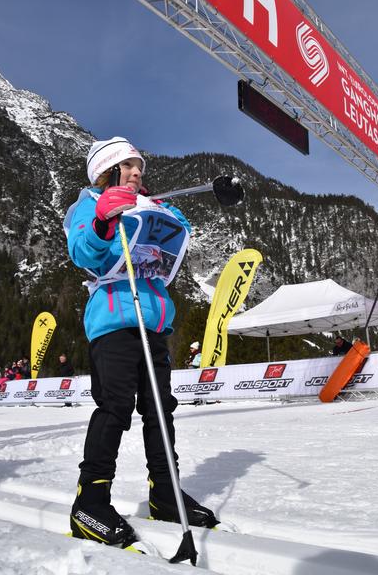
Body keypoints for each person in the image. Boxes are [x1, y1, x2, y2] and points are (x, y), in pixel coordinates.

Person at [64, 136, 217, 548]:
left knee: (160, 410)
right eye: (128, 166)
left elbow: (173, 245)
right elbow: (82, 252)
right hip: (114, 321)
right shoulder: (88, 203)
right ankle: (89, 502)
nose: (136, 173)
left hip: (153, 323)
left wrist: (163, 217)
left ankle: (165, 494)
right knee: (115, 407)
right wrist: (103, 220)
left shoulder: (146, 204)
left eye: (140, 167)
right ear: (108, 170)